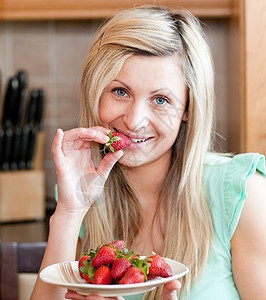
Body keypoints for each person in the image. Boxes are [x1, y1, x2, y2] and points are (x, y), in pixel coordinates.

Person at [31, 5, 266, 300]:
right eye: (120, 92)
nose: (134, 120)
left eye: (161, 99)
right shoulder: (81, 195)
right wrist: (68, 213)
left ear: (188, 110)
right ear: (95, 92)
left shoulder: (241, 194)